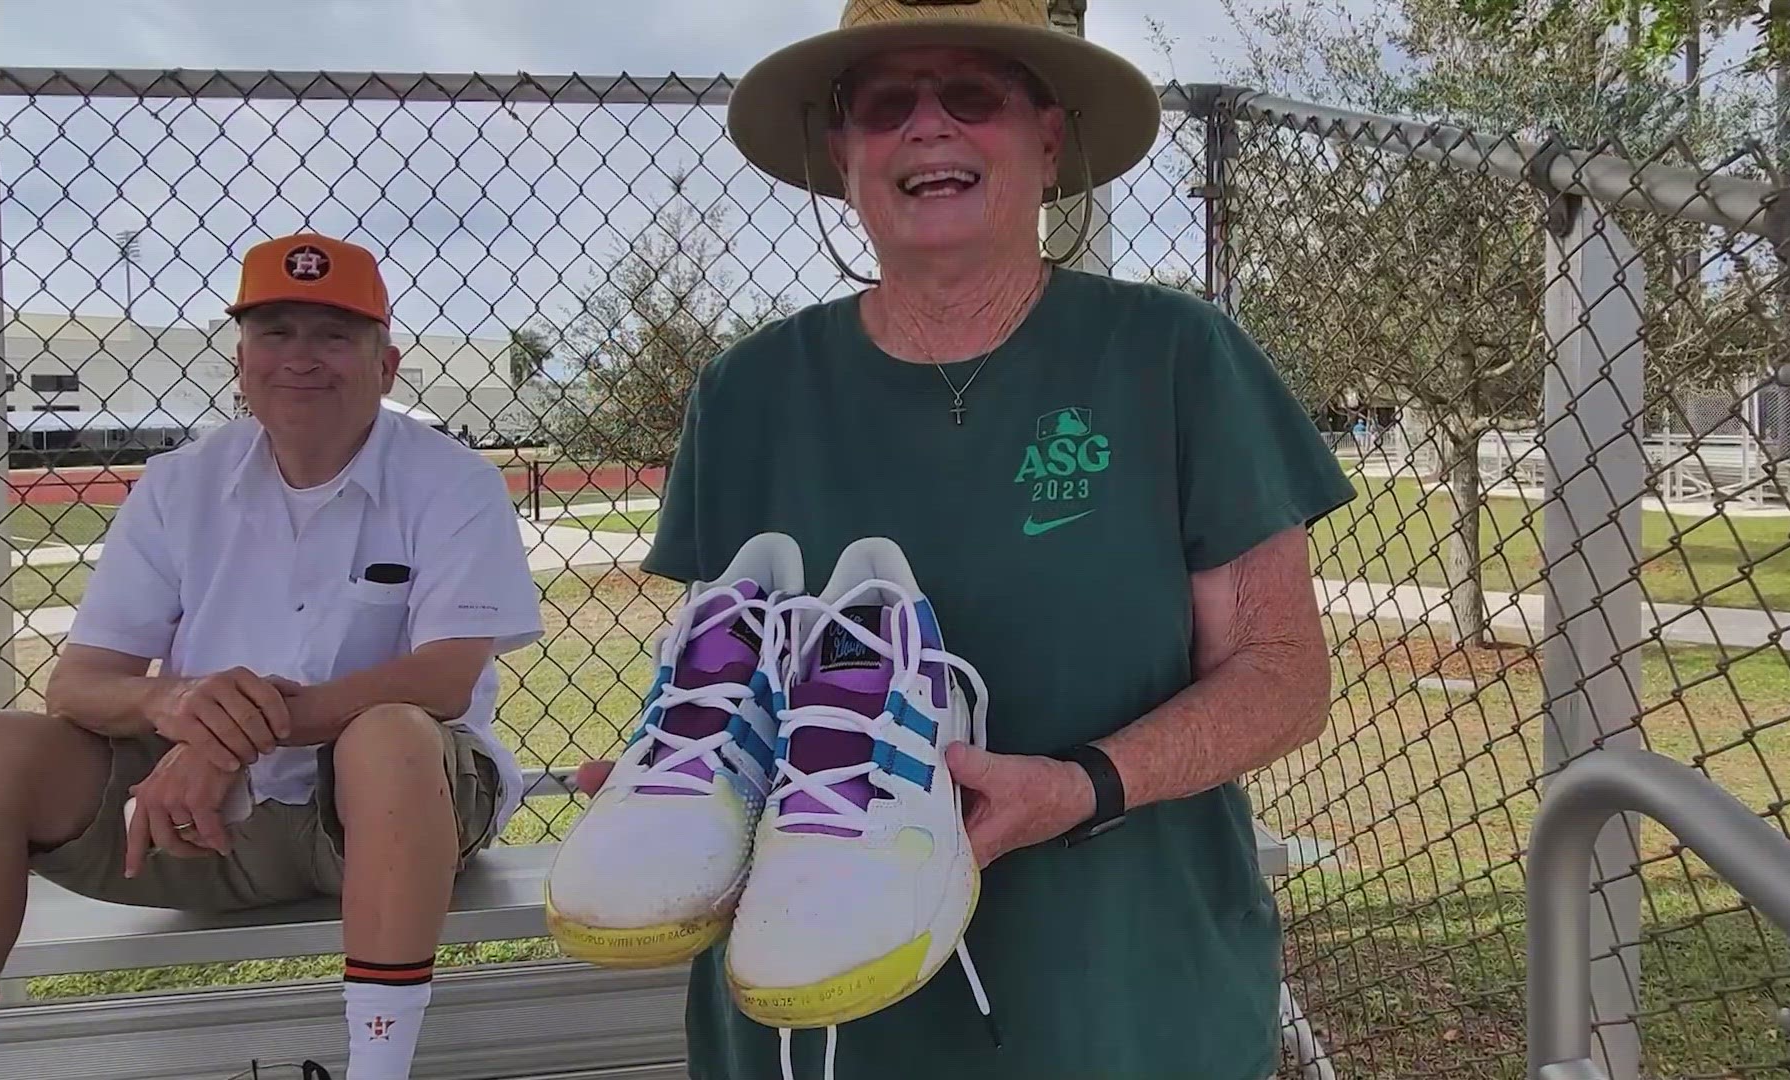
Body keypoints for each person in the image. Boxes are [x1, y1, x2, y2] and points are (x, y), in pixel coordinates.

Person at [567, 2, 1357, 1078]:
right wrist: (702, 779)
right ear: (842, 152)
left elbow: (1282, 673)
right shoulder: (747, 393)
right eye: (887, 103)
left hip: (1120, 1002)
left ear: (1047, 134)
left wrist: (1082, 783)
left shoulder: (1173, 357)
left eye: (973, 94)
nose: (928, 126)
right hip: (817, 1008)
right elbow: (730, 655)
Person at [0, 232, 544, 1080]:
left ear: (386, 365)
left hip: (386, 816)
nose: (300, 358)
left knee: (388, 734)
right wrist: (173, 707)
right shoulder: (179, 483)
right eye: (275, 332)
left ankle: (379, 1072)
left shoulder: (451, 478)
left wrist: (219, 741)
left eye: (334, 335)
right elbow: (78, 684)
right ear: (241, 359)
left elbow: (444, 678)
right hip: (192, 819)